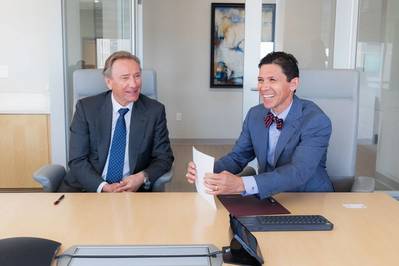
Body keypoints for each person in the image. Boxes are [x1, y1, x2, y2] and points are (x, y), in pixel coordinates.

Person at [186, 51, 333, 199]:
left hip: (308, 198)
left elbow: (298, 172)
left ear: (293, 84)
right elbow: (238, 157)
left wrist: (241, 184)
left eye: (272, 80)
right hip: (268, 196)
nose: (263, 87)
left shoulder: (315, 120)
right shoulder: (255, 115)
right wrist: (208, 170)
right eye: (261, 80)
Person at [61, 51, 174, 192]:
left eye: (137, 76)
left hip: (132, 193)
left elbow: (164, 158)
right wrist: (103, 187)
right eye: (125, 78)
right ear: (109, 82)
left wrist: (141, 177)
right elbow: (77, 160)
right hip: (87, 189)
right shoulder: (86, 108)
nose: (133, 84)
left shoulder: (154, 111)